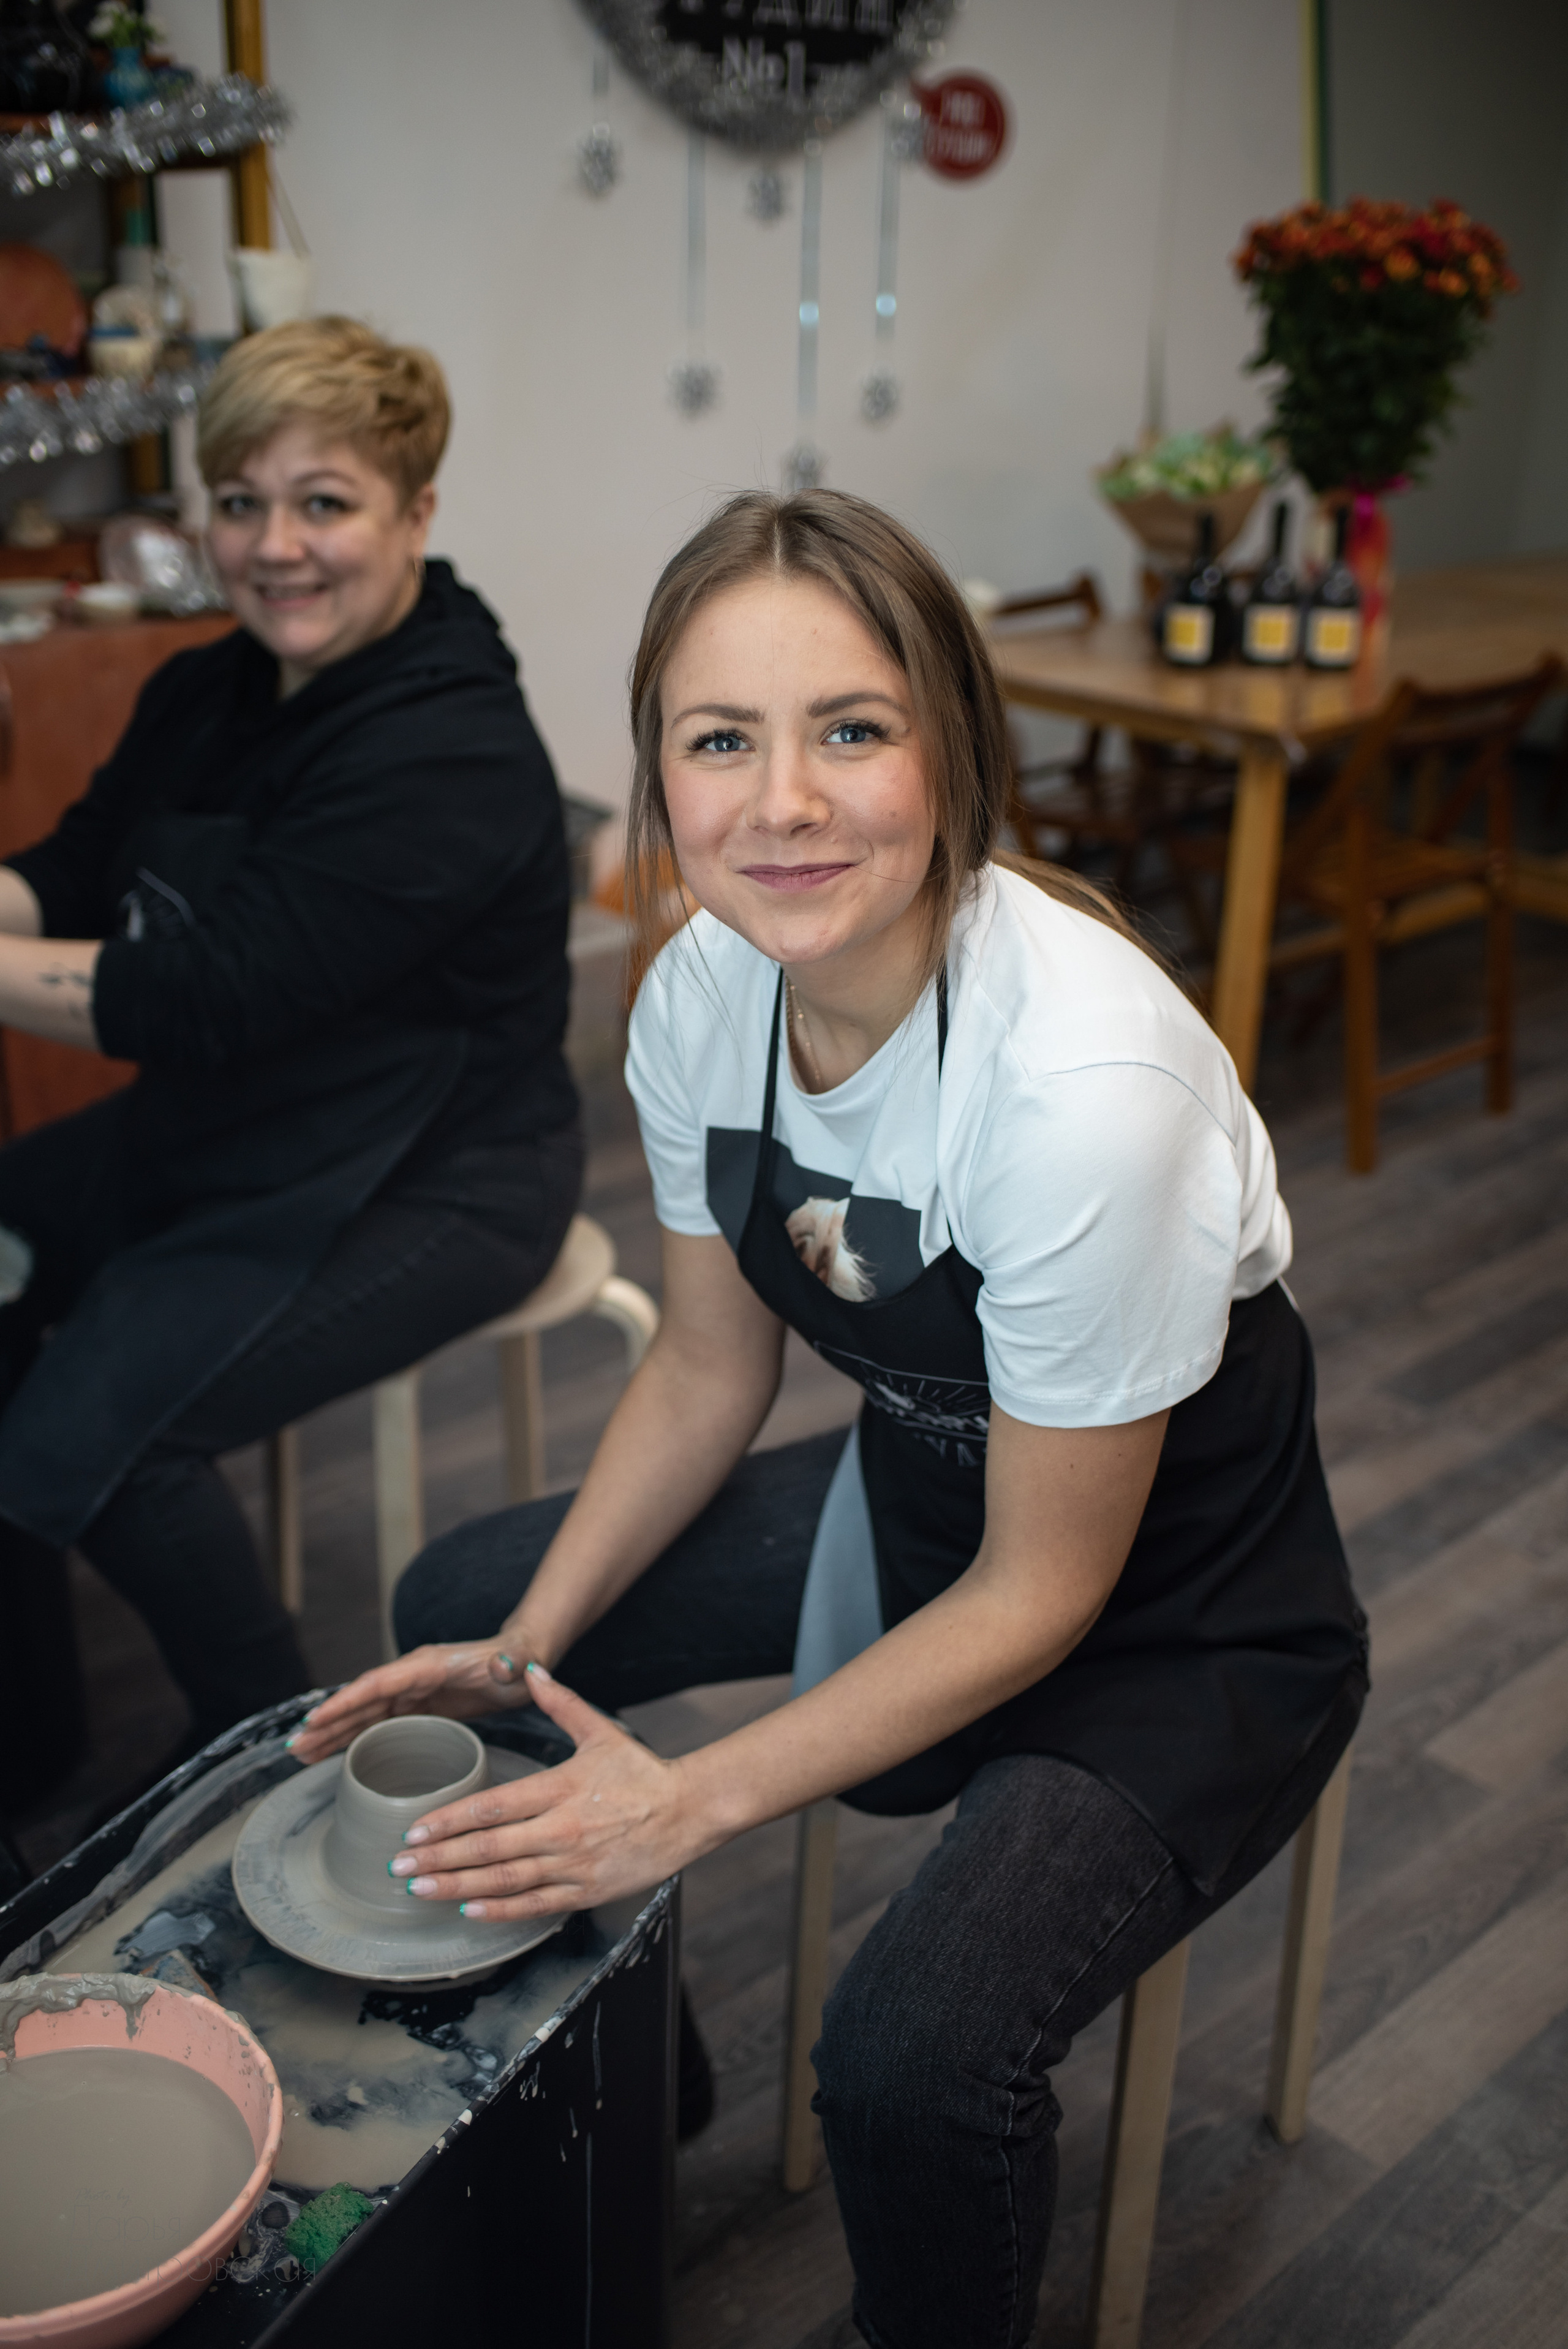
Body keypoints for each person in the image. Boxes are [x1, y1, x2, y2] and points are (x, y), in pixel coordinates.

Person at [292, 490, 1366, 2349]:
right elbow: (713, 1364)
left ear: (953, 746)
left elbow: (1048, 1594)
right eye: (722, 740)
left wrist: (685, 1800)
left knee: (907, 2059)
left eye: (850, 729)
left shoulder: (1082, 1092)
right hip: (936, 1494)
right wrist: (530, 1647)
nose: (781, 803)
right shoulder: (705, 995)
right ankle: (650, 2063)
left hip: (1182, 1609)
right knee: (461, 1605)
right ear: (661, 772)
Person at [0, 317, 581, 1809]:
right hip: (236, 1126)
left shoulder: (452, 745)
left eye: (323, 503)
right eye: (241, 503)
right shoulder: (207, 687)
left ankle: (280, 1771)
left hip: (436, 1177)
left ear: (412, 515)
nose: (276, 547)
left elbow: (212, 990)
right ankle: (32, 1737)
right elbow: (71, 871)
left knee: (104, 1441)